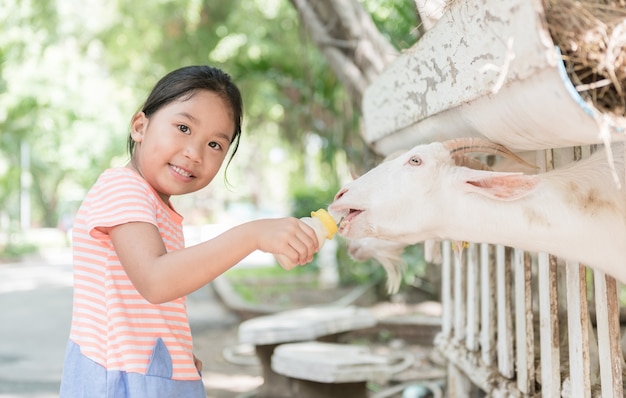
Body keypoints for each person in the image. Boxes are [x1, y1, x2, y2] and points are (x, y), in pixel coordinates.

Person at [59, 65, 320, 397]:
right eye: (183, 127)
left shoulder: (156, 207)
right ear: (140, 126)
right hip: (121, 383)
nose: (194, 153)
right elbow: (156, 281)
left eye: (214, 145)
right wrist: (251, 235)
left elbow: (145, 305)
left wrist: (176, 350)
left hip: (156, 376)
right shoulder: (122, 188)